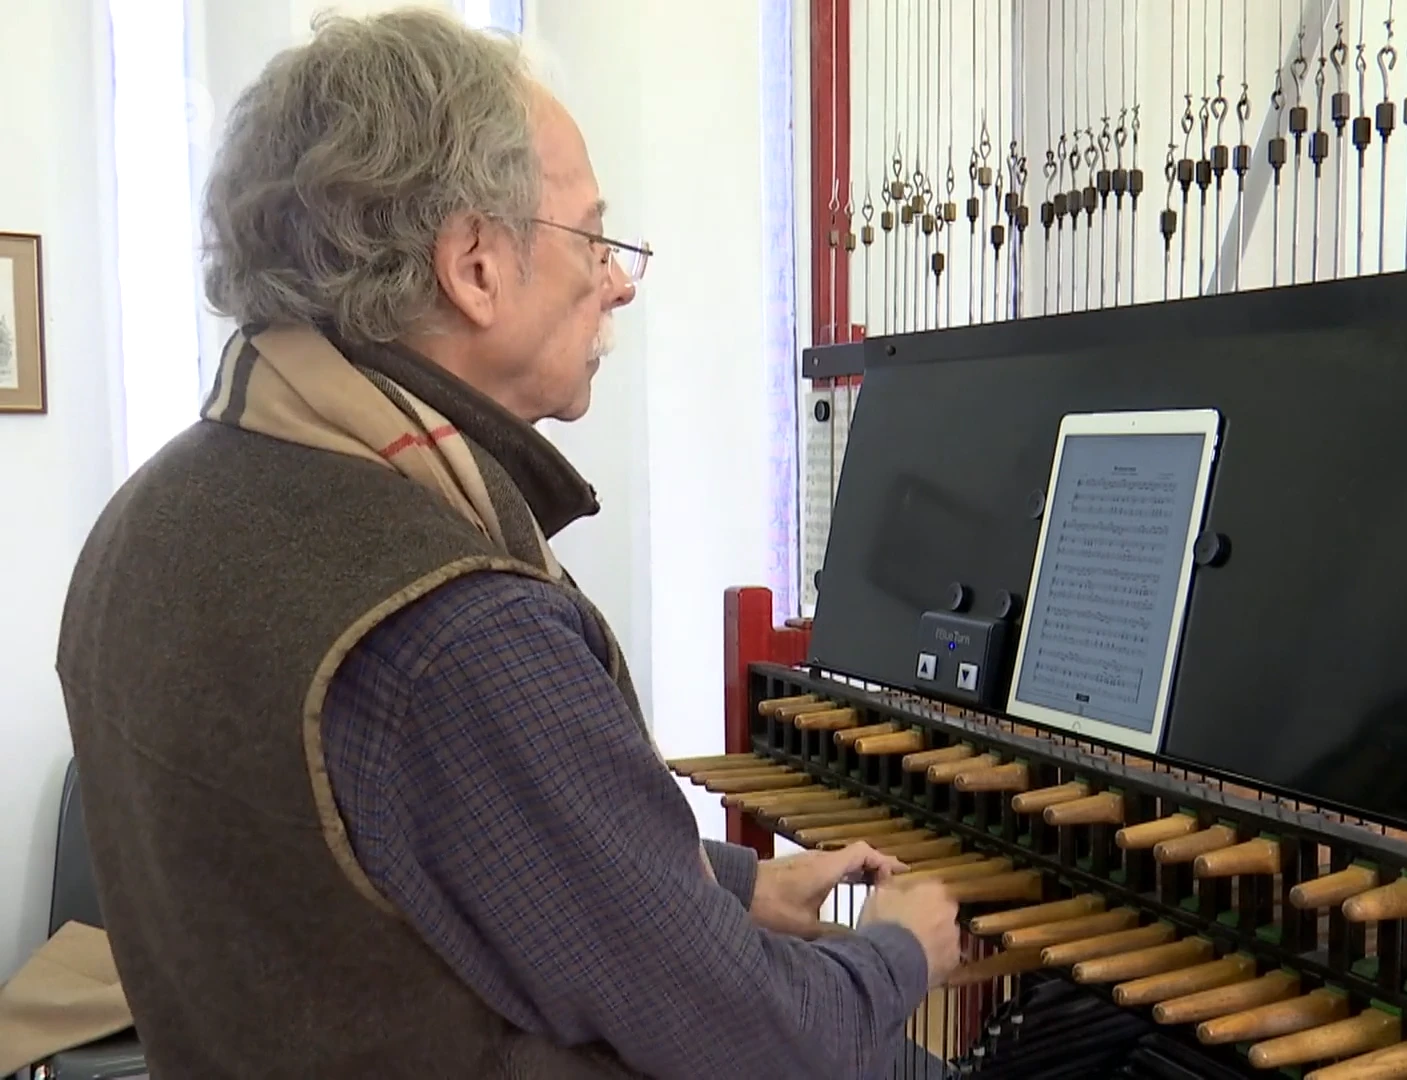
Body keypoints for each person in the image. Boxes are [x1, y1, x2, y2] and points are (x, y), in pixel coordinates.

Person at [54, 9, 960, 1078]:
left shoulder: (148, 520)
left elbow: (422, 855)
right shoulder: (451, 626)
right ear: (475, 265)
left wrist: (726, 886)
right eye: (594, 237)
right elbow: (762, 1042)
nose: (620, 279)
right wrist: (901, 951)